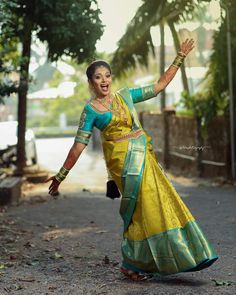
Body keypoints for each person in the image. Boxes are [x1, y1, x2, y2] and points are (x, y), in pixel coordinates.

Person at [47, 38, 218, 281]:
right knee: (139, 207)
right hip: (123, 163)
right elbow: (78, 145)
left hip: (142, 155)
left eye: (107, 75)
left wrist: (179, 57)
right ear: (90, 82)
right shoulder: (91, 110)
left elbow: (159, 86)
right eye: (98, 77)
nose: (104, 80)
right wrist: (61, 175)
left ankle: (160, 257)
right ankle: (133, 262)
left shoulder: (125, 96)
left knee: (158, 202)